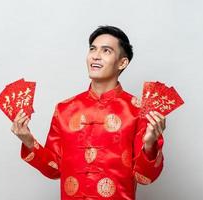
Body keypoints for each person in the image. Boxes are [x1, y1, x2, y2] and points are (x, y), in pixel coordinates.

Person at [11, 25, 166, 200]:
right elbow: (54, 170)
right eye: (93, 49)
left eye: (106, 51)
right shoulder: (65, 109)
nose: (96, 55)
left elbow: (145, 177)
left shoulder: (138, 111)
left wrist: (150, 145)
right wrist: (28, 141)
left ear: (122, 62)